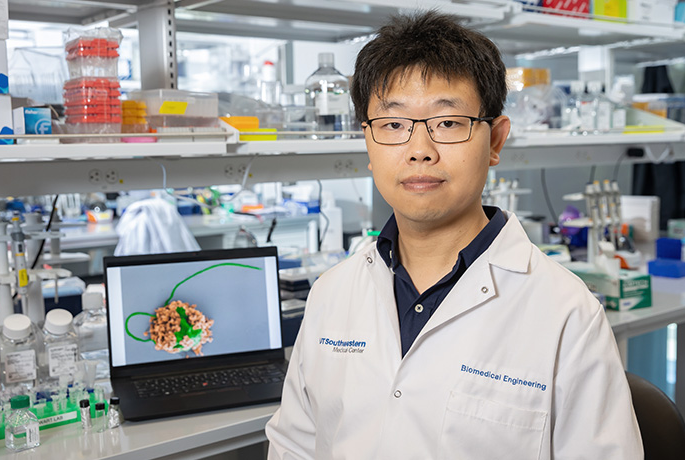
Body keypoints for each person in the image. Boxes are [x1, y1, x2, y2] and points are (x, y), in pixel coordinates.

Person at [266, 11, 643, 460]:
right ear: (366, 142)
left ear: (496, 140)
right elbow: (294, 447)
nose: (420, 151)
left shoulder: (567, 314)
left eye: (448, 123)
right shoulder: (332, 293)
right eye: (393, 125)